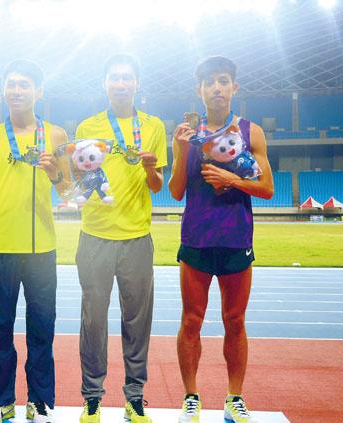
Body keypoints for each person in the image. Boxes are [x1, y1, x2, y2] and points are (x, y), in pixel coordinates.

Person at [169, 56, 274, 423]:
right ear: (199, 89)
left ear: (234, 87)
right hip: (196, 238)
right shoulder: (187, 133)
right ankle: (191, 397)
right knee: (191, 320)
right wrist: (182, 150)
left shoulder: (251, 132)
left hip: (235, 238)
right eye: (210, 82)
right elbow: (176, 191)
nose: (217, 87)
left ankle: (234, 398)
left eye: (223, 80)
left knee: (235, 320)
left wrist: (231, 180)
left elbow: (267, 188)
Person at [75, 54, 167, 423]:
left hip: (136, 237)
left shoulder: (153, 126)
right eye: (114, 77)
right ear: (105, 83)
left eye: (127, 77)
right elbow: (83, 176)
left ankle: (135, 397)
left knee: (137, 322)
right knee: (93, 321)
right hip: (95, 236)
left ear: (137, 83)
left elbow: (157, 185)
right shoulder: (89, 125)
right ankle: (92, 397)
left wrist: (150, 168)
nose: (121, 84)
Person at [0, 59, 69, 423]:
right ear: (4, 89)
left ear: (38, 91)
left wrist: (54, 173)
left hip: (41, 247)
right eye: (11, 84)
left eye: (24, 85)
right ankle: (1, 400)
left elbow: (67, 189)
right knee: (0, 328)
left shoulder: (57, 136)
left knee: (42, 327)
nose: (17, 91)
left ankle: (40, 399)